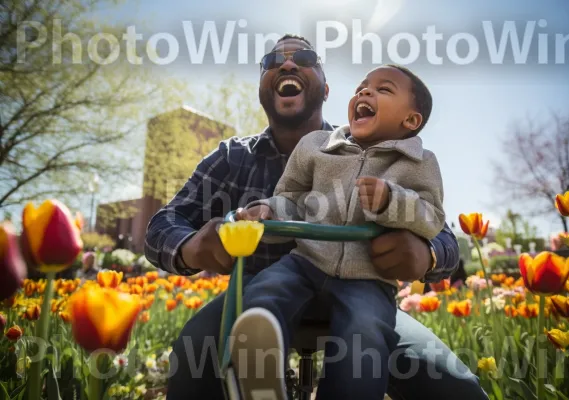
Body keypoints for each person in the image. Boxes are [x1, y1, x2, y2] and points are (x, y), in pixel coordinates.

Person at [144, 34, 489, 399]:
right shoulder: (231, 159)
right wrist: (193, 246)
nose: (287, 64)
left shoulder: (380, 149)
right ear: (262, 90)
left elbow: (440, 230)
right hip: (263, 295)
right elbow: (163, 225)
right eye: (272, 61)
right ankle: (260, 378)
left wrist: (424, 254)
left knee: (453, 386)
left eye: (304, 57)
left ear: (326, 90)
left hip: (365, 289)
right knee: (195, 351)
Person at [232, 63, 446, 399]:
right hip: (306, 262)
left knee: (365, 331)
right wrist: (268, 211)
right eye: (362, 86)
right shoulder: (316, 146)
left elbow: (431, 216)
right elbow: (293, 200)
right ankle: (261, 376)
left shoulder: (419, 163)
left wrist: (391, 200)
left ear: (411, 121)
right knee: (265, 291)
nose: (364, 92)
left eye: (383, 89)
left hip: (368, 276)